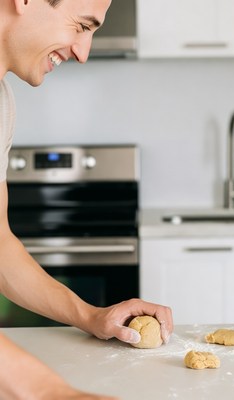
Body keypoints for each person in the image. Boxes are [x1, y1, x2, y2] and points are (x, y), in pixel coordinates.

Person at [0, 1, 173, 399]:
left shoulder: (3, 103)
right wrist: (49, 391)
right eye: (81, 25)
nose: (83, 51)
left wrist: (92, 316)